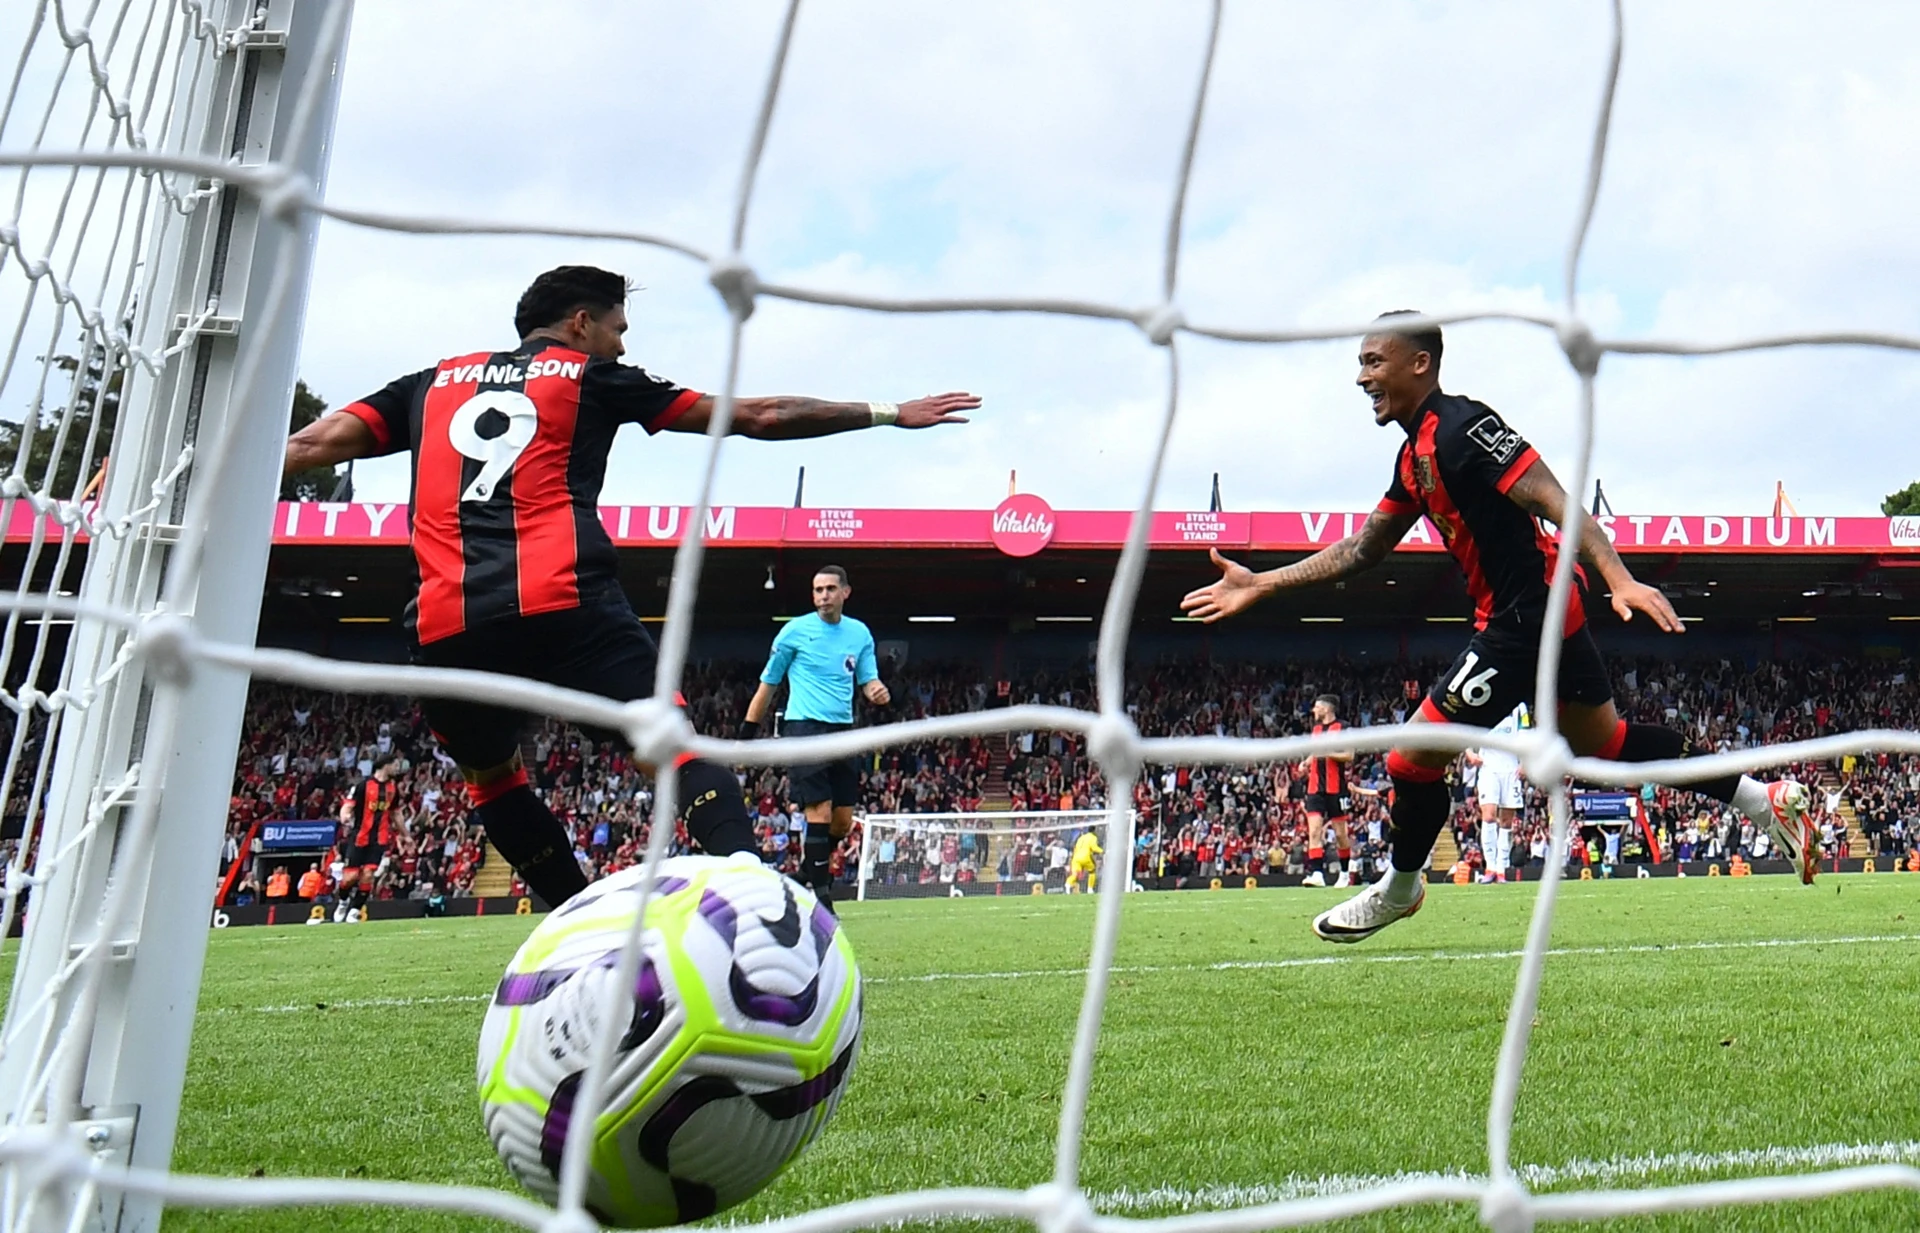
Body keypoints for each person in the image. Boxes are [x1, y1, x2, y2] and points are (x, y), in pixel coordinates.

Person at [283, 266, 976, 909]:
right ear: (581, 323)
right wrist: (888, 411)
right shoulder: (590, 376)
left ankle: (576, 921)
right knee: (671, 746)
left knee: (493, 780)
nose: (620, 343)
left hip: (449, 622)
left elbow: (308, 447)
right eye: (618, 328)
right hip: (567, 602)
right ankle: (754, 889)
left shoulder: (428, 384)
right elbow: (759, 415)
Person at [1181, 311, 1813, 943]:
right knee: (1607, 743)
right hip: (1541, 612)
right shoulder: (1414, 456)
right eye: (1361, 364)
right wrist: (1262, 582)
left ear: (1419, 363)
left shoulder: (1466, 427)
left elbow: (1556, 500)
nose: (1362, 377)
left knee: (1408, 760)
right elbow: (1365, 548)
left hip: (1524, 621)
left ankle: (1401, 889)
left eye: (1374, 362)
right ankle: (1765, 800)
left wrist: (1618, 577)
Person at [743, 566, 888, 913]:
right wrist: (747, 732)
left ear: (845, 593)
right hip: (803, 729)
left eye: (830, 589)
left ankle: (806, 873)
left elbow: (867, 679)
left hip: (842, 731)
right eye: (817, 590)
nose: (823, 595)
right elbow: (769, 683)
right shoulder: (794, 632)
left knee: (842, 820)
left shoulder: (859, 633)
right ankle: (823, 901)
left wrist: (877, 691)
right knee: (818, 812)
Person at [334, 748, 404, 922]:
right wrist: (345, 815)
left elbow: (396, 813)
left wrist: (406, 835)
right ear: (385, 766)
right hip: (359, 836)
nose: (397, 768)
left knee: (368, 875)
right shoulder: (363, 785)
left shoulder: (393, 789)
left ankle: (354, 912)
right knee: (350, 878)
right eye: (395, 765)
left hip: (379, 838)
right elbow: (348, 805)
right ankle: (343, 902)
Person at [1297, 694, 1355, 888]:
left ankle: (1345, 873)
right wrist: (1306, 761)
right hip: (1315, 788)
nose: (1313, 711)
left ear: (1326, 709)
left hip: (1336, 788)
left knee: (1340, 834)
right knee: (1314, 830)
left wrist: (1328, 753)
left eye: (1316, 707)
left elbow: (1349, 755)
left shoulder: (1344, 728)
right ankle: (1317, 874)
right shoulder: (1316, 730)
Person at [1469, 703, 1530, 883]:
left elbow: (1525, 735)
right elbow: (1465, 727)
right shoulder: (1485, 700)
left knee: (1506, 822)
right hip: (1488, 767)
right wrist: (1469, 753)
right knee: (1488, 817)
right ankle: (1490, 867)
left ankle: (1502, 869)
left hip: (1511, 768)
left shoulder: (1520, 707)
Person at [1068, 827, 1102, 893]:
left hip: (1077, 859)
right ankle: (1089, 889)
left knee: (1078, 873)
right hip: (1084, 858)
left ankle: (1069, 885)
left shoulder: (1080, 839)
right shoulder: (1091, 839)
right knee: (1091, 871)